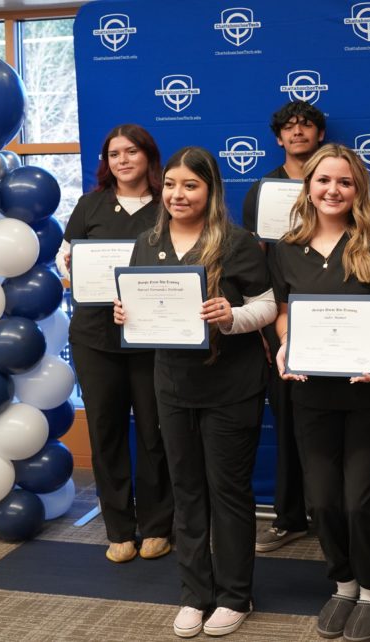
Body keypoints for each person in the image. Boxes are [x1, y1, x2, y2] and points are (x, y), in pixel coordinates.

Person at [114, 146, 277, 638]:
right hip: (173, 385)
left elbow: (267, 305)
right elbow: (142, 304)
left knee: (227, 492)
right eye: (170, 185)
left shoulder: (237, 242)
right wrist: (127, 315)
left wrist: (231, 318)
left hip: (232, 386)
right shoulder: (147, 241)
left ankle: (233, 595)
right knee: (185, 490)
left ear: (210, 190)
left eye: (190, 185)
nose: (178, 194)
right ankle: (194, 595)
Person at [270, 144, 370, 642]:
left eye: (345, 182)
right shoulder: (287, 245)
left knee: (360, 503)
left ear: (359, 189)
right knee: (323, 503)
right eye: (323, 180)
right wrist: (287, 344)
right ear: (308, 185)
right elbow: (285, 309)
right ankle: (343, 583)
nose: (333, 190)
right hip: (313, 393)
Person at [57, 124, 173, 564]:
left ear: (148, 156)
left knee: (153, 433)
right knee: (105, 433)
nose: (122, 160)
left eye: (131, 152)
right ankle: (119, 528)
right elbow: (66, 257)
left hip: (151, 337)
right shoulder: (90, 205)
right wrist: (68, 264)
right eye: (113, 154)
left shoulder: (167, 204)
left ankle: (159, 525)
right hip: (95, 337)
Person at [243, 100, 326, 554]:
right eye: (289, 128)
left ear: (318, 135)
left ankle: (331, 513)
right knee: (289, 416)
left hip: (333, 314)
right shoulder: (263, 189)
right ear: (279, 138)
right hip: (279, 315)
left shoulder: (334, 183)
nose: (298, 133)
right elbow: (254, 255)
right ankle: (290, 517)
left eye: (306, 126)